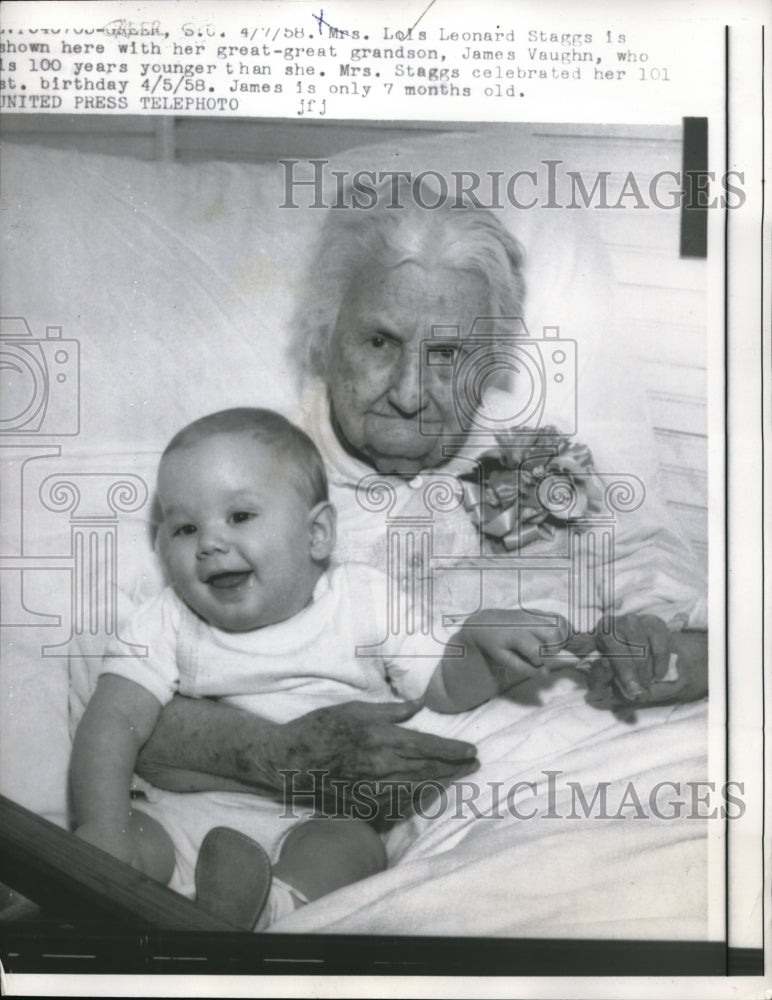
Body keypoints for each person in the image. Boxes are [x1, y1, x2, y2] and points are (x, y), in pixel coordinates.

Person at [134, 183, 708, 831]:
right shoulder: (239, 483)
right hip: (398, 831)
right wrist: (277, 752)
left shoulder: (554, 468)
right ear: (326, 337)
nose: (409, 393)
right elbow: (122, 702)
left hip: (615, 788)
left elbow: (714, 640)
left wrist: (662, 659)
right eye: (379, 343)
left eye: (446, 355)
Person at [71, 407, 577, 929]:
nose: (210, 543)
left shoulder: (361, 600)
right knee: (131, 840)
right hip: (184, 813)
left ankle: (267, 908)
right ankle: (79, 901)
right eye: (184, 528)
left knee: (352, 848)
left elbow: (442, 683)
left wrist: (481, 645)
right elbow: (112, 721)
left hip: (314, 821)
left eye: (240, 516)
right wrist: (102, 827)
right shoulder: (168, 619)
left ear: (317, 534)